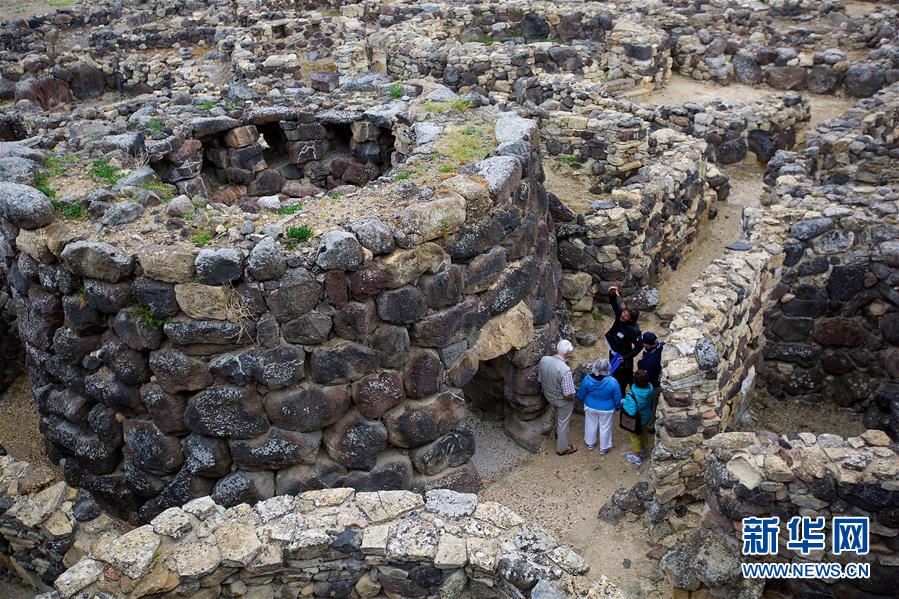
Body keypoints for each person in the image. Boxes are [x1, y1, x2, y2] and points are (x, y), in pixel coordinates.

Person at [537, 339, 578, 456]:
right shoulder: (565, 370)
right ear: (567, 353)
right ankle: (562, 448)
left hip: (548, 394)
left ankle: (557, 434)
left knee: (557, 414)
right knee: (563, 422)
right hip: (561, 400)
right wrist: (574, 398)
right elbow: (568, 394)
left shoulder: (544, 360)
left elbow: (540, 379)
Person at [577, 358, 622, 455]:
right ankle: (603, 448)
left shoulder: (587, 379)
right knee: (605, 427)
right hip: (607, 408)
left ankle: (590, 444)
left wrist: (580, 399)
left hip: (590, 406)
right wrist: (618, 407)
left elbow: (581, 394)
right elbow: (617, 398)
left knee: (590, 425)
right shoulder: (613, 382)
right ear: (607, 369)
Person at [604, 286, 642, 392]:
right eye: (624, 313)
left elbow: (638, 347)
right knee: (612, 370)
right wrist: (611, 293)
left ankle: (623, 394)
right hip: (613, 349)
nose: (623, 316)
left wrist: (624, 357)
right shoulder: (620, 315)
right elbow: (614, 303)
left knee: (623, 377)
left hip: (623, 357)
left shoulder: (633, 330)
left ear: (631, 320)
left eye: (626, 316)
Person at [622, 369, 654, 465]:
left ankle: (636, 457)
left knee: (635, 437)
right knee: (644, 433)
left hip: (637, 420)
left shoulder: (633, 393)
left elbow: (631, 411)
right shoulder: (650, 388)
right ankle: (643, 450)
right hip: (646, 416)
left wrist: (624, 402)